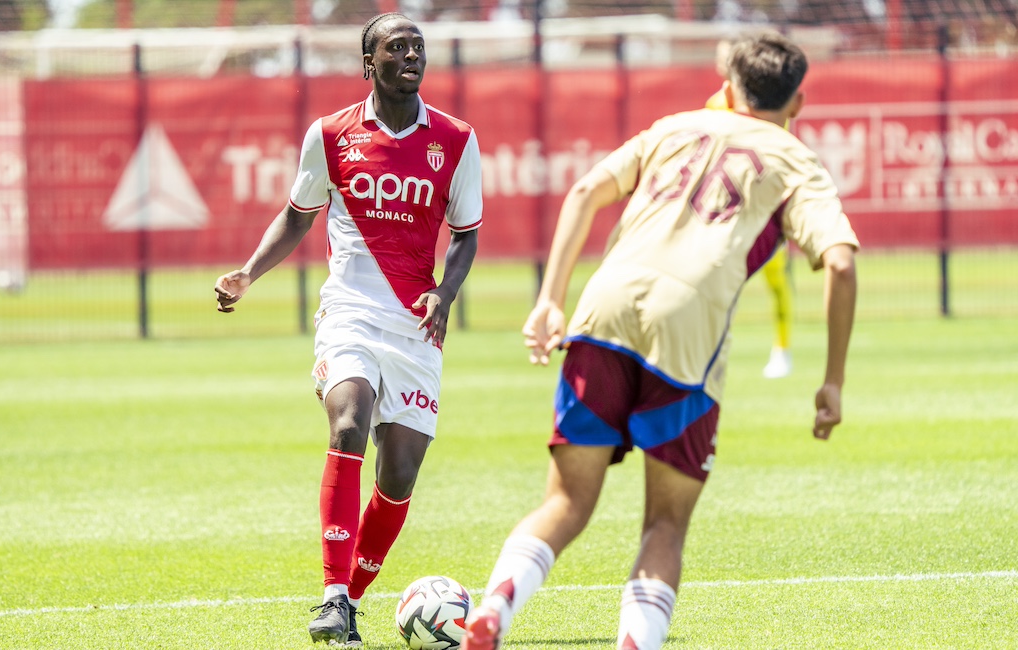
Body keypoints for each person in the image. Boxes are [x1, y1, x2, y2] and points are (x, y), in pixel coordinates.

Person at [463, 33, 858, 650]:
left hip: (604, 304)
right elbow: (839, 263)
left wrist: (549, 299)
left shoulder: (675, 126)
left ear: (728, 90)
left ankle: (493, 609)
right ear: (798, 102)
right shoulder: (795, 160)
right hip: (687, 329)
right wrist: (832, 380)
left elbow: (584, 192)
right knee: (665, 523)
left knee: (566, 501)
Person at [214, 12, 482, 647]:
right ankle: (334, 597)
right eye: (397, 47)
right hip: (351, 312)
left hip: (417, 324)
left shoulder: (456, 138)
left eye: (418, 46)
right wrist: (248, 274)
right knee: (349, 422)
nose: (411, 55)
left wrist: (444, 295)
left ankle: (352, 598)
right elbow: (298, 214)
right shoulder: (330, 134)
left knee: (400, 476)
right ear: (371, 64)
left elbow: (467, 235)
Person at [708, 37, 795, 378]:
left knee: (777, 284)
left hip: (764, 208)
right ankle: (712, 346)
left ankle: (782, 350)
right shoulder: (713, 106)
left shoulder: (768, 105)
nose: (723, 59)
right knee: (716, 282)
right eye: (721, 54)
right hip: (724, 214)